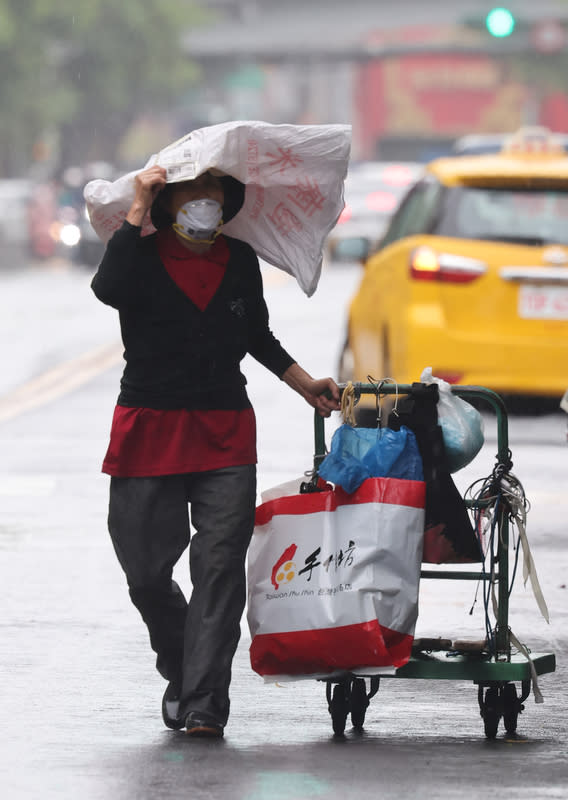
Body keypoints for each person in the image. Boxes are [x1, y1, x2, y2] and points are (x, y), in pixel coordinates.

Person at [91, 164, 340, 738]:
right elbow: (109, 290)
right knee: (146, 573)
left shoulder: (240, 260)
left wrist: (307, 385)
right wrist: (135, 210)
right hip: (148, 427)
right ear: (166, 200)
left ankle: (204, 700)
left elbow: (256, 335)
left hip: (225, 429)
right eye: (191, 190)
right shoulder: (141, 254)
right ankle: (181, 664)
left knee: (220, 568)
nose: (205, 199)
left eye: (215, 190)